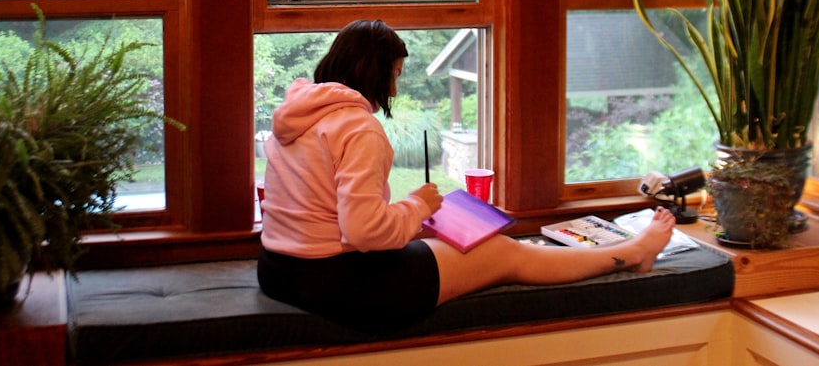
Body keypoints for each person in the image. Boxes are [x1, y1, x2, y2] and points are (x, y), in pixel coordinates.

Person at [257, 19, 675, 333]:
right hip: (340, 284)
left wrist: (408, 216)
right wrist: (418, 204)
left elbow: (330, 215)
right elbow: (364, 231)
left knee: (454, 245)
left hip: (279, 271)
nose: (396, 91)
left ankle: (627, 252)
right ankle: (633, 255)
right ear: (375, 71)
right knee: (504, 253)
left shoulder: (297, 115)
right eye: (395, 75)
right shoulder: (357, 127)